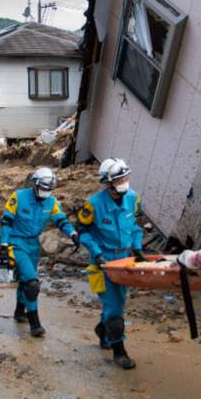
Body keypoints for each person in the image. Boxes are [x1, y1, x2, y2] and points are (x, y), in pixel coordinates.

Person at [77, 158, 144, 369]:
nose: (125, 181)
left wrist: (138, 248)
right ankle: (119, 352)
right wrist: (96, 254)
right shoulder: (94, 205)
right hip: (103, 262)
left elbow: (135, 226)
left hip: (125, 259)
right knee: (114, 308)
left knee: (119, 301)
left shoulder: (133, 199)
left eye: (126, 177)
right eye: (120, 179)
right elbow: (83, 232)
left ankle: (102, 330)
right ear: (108, 182)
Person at [0, 167, 79, 337]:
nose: (46, 192)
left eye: (49, 189)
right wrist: (4, 245)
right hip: (16, 243)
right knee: (32, 283)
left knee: (24, 281)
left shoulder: (51, 202)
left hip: (33, 245)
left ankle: (19, 311)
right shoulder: (18, 197)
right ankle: (34, 323)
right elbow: (6, 221)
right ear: (35, 184)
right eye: (43, 188)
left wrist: (72, 233)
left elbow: (61, 220)